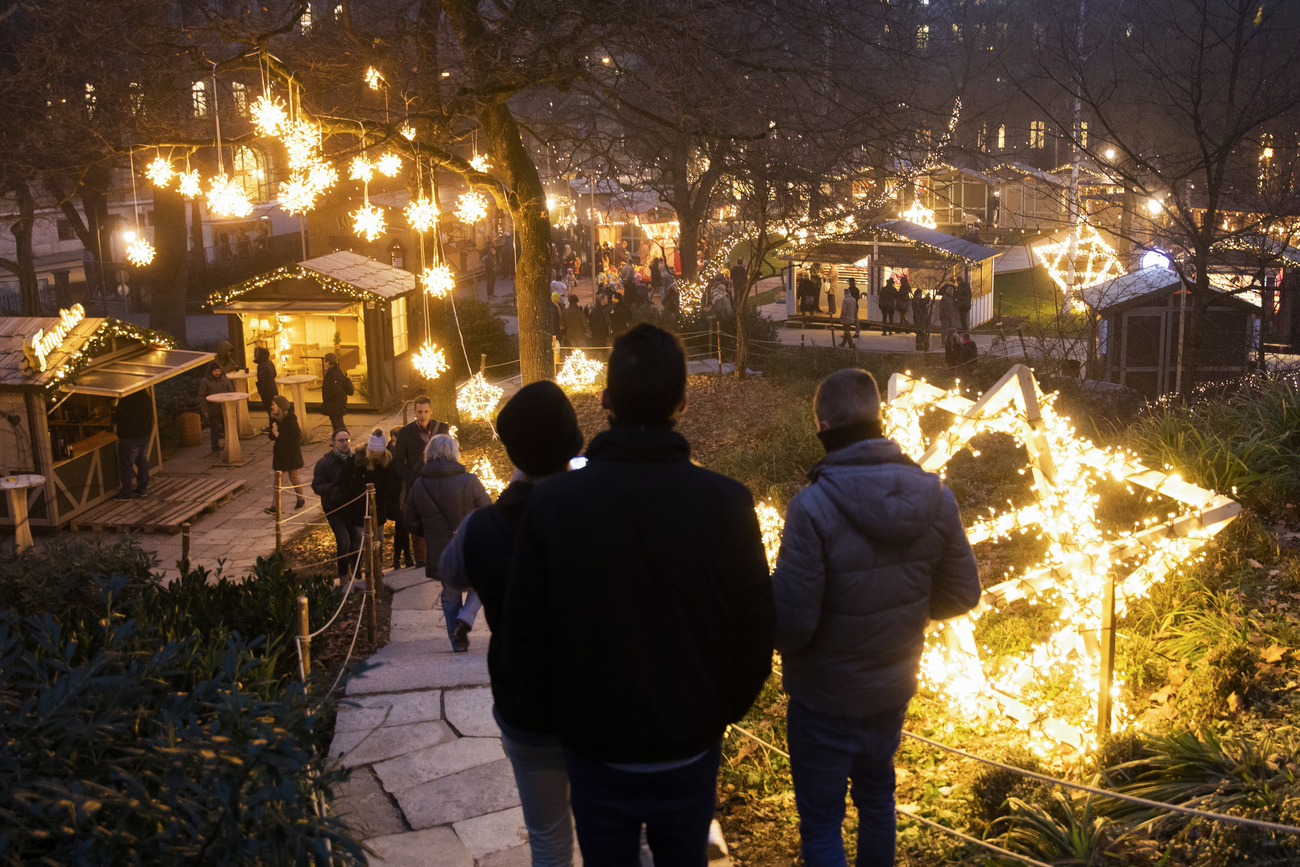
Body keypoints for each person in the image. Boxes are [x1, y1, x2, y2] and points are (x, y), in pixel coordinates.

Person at [504, 324, 775, 865]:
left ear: (604, 400)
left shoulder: (553, 505)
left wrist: (568, 722)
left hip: (596, 748)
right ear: (682, 400)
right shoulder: (726, 504)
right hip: (688, 746)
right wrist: (713, 715)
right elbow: (757, 635)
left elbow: (523, 641)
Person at [771, 368, 980, 867]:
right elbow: (962, 595)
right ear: (878, 419)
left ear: (822, 425)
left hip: (823, 697)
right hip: (891, 689)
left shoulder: (812, 507)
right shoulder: (936, 496)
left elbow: (792, 625)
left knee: (822, 823)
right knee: (878, 805)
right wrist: (902, 613)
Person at [439, 381, 585, 867]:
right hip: (601, 700)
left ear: (512, 450)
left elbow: (451, 571)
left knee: (547, 840)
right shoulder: (600, 512)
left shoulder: (483, 528)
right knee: (618, 830)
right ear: (574, 442)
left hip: (527, 703)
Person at [404, 434, 491, 652]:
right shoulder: (470, 480)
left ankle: (457, 642)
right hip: (471, 548)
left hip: (440, 551)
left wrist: (431, 531)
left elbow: (409, 521)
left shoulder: (419, 485)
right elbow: (488, 511)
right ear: (454, 452)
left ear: (429, 454)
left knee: (450, 595)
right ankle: (466, 618)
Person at [394, 395, 450, 567]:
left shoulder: (442, 428)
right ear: (414, 412)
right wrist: (410, 479)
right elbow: (397, 460)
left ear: (431, 411)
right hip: (417, 484)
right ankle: (421, 560)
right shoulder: (404, 433)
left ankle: (438, 555)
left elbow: (447, 453)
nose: (423, 415)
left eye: (426, 411)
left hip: (438, 483)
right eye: (419, 412)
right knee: (418, 522)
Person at [312, 428, 364, 580]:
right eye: (341, 440)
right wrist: (334, 486)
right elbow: (316, 486)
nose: (345, 443)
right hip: (334, 508)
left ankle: (355, 570)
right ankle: (342, 574)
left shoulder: (355, 460)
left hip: (352, 507)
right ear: (333, 443)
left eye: (347, 440)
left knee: (358, 539)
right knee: (344, 540)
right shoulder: (324, 463)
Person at [354, 428, 395, 560]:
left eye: (380, 453)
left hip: (379, 506)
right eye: (375, 454)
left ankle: (378, 564)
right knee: (362, 539)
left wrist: (383, 497)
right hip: (361, 506)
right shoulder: (359, 461)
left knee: (379, 539)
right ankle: (360, 565)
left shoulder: (386, 461)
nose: (378, 456)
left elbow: (388, 483)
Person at [266, 395, 307, 513]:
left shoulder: (291, 420)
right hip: (280, 454)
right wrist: (273, 433)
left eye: (273, 405)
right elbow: (271, 435)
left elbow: (296, 438)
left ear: (279, 406)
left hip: (291, 454)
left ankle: (301, 499)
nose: (271, 406)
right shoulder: (274, 418)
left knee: (294, 478)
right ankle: (275, 506)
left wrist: (279, 435)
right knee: (277, 480)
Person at [113, 388, 153, 500]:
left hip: (130, 436)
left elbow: (121, 418)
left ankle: (126, 492)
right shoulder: (145, 396)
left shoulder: (127, 399)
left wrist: (114, 417)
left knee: (126, 465)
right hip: (144, 434)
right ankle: (142, 487)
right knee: (142, 460)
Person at [388, 426, 414, 570]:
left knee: (402, 527)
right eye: (392, 441)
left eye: (396, 441)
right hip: (393, 498)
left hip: (405, 496)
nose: (394, 444)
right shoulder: (389, 457)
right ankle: (405, 557)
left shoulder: (408, 456)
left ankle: (400, 557)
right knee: (402, 525)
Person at [197, 363, 234, 453]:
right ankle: (215, 448)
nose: (217, 373)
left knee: (227, 428)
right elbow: (202, 396)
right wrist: (205, 410)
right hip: (212, 409)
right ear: (211, 372)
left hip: (224, 408)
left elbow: (231, 391)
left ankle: (229, 446)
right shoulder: (205, 381)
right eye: (215, 371)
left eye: (218, 371)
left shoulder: (225, 379)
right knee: (215, 430)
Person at [322, 352, 353, 433]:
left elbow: (335, 390)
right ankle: (338, 439)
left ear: (328, 362)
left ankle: (343, 439)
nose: (324, 364)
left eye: (325, 362)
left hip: (335, 404)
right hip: (335, 404)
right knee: (336, 423)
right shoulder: (334, 372)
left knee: (338, 424)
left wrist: (328, 401)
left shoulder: (333, 374)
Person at [253, 346, 279, 430]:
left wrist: (260, 390)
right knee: (273, 408)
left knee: (269, 409)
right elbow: (274, 374)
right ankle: (275, 425)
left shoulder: (261, 366)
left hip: (266, 391)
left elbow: (261, 379)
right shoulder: (270, 362)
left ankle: (272, 427)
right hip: (273, 388)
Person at [911, 287, 930, 352]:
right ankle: (918, 346)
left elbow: (924, 302)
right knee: (919, 332)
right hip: (919, 318)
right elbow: (922, 303)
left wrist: (927, 298)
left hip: (921, 318)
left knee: (921, 332)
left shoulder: (917, 300)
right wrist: (927, 297)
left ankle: (920, 345)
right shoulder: (916, 300)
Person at [838, 284, 857, 349]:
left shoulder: (845, 300)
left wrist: (841, 316)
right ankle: (843, 344)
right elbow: (855, 309)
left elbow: (844, 310)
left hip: (846, 318)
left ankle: (851, 344)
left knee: (846, 332)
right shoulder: (853, 299)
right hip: (851, 317)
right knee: (847, 331)